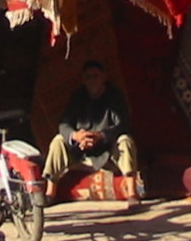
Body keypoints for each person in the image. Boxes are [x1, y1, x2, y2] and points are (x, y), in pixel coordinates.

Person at [43, 60, 141, 202]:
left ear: (104, 77)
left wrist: (101, 136)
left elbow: (123, 124)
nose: (92, 80)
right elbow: (64, 124)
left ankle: (132, 193)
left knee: (125, 140)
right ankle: (50, 193)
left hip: (107, 150)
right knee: (58, 141)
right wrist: (76, 136)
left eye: (96, 76)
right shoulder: (77, 96)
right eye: (88, 77)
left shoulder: (114, 96)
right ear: (83, 79)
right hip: (81, 149)